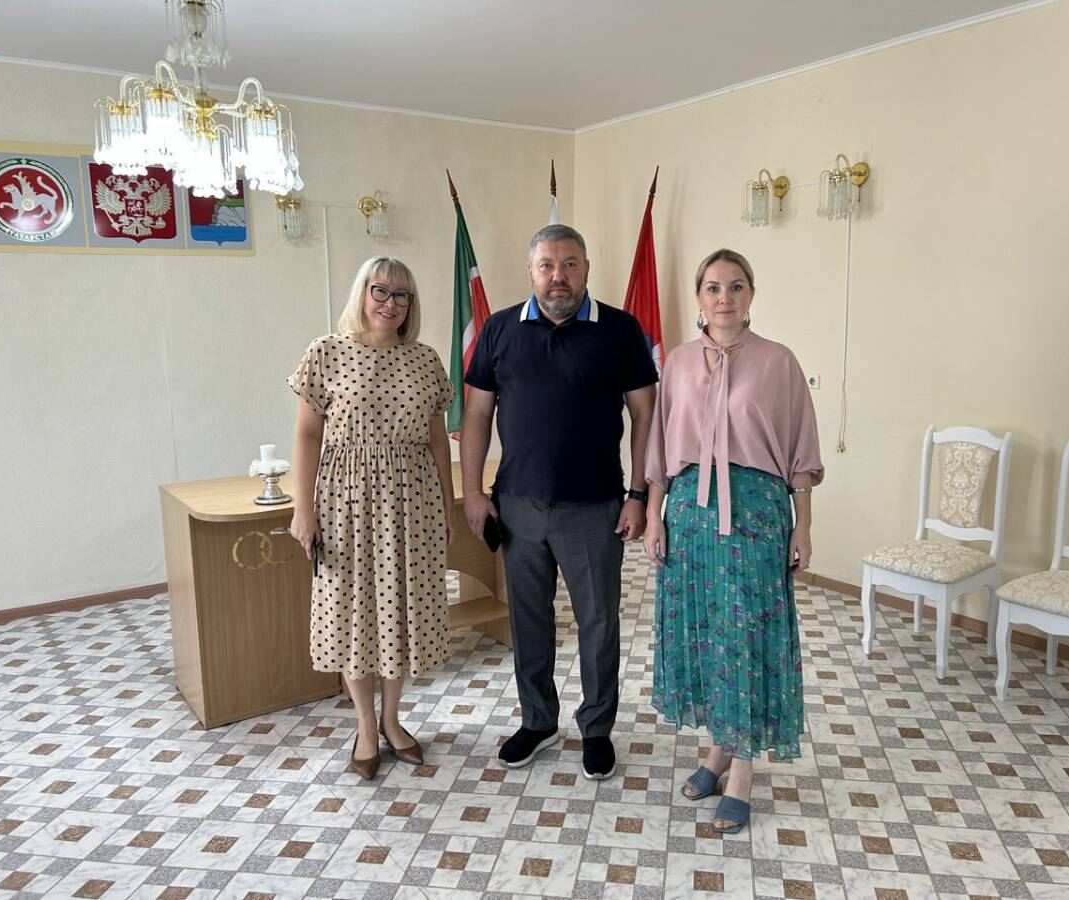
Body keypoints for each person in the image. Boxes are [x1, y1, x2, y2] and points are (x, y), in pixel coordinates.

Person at [460, 224, 658, 780]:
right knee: (528, 620)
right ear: (530, 270)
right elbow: (476, 415)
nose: (558, 276)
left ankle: (596, 728)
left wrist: (638, 495)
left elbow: (645, 414)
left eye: (570, 264)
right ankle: (538, 721)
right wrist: (473, 492)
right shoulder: (499, 330)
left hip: (596, 507)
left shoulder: (620, 330)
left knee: (598, 623)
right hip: (517, 506)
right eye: (547, 265)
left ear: (586, 268)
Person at [644, 248, 823, 834]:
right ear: (699, 296)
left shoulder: (779, 362)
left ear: (751, 294)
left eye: (737, 286)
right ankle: (719, 748)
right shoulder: (677, 363)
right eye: (714, 287)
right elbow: (659, 447)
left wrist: (803, 523)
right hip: (691, 516)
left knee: (747, 633)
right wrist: (654, 517)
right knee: (707, 632)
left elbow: (799, 451)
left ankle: (742, 769)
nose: (725, 297)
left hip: (755, 516)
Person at [287, 256, 455, 780]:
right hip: (345, 502)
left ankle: (392, 718)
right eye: (380, 291)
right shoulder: (326, 352)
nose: (390, 303)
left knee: (401, 609)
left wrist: (446, 506)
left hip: (413, 502)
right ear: (362, 292)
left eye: (402, 295)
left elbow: (437, 441)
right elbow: (307, 435)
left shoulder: (425, 359)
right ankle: (364, 724)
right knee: (351, 610)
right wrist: (302, 508)